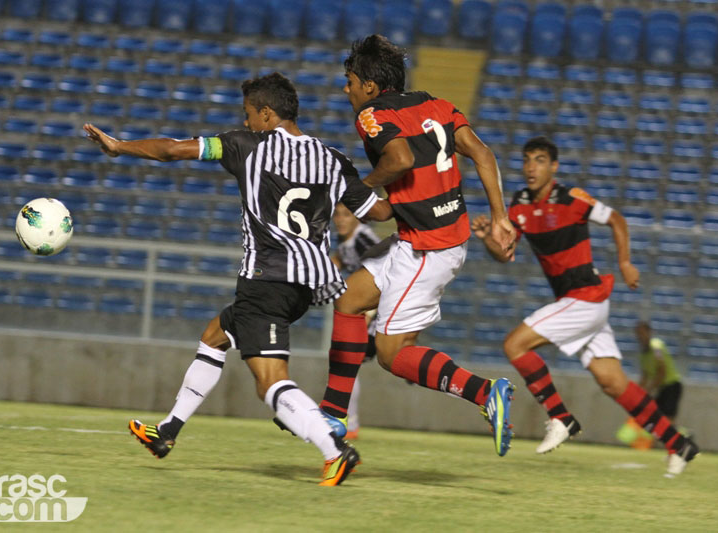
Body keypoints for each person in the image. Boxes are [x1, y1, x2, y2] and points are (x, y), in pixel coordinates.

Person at [83, 72, 393, 486]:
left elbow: (173, 151)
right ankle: (168, 431)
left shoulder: (247, 146)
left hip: (265, 281)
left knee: (269, 383)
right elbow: (380, 213)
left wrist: (119, 146)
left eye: (249, 115)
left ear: (267, 114)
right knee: (215, 335)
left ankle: (334, 450)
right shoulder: (333, 159)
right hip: (306, 286)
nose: (246, 123)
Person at [317, 34, 518, 457]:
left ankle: (485, 393)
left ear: (370, 86)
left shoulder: (371, 116)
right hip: (420, 238)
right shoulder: (437, 105)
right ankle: (333, 414)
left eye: (349, 80)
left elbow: (401, 160)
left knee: (392, 355)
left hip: (429, 248)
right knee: (349, 300)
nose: (346, 89)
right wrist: (501, 216)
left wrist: (354, 191)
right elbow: (482, 154)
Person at [471, 136, 699, 476]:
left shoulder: (573, 198)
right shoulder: (517, 205)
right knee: (613, 382)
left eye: (539, 160)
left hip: (586, 297)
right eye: (527, 160)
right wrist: (490, 238)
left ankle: (560, 417)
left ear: (554, 166)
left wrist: (624, 263)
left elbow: (617, 220)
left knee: (514, 345)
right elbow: (504, 254)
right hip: (576, 302)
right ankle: (678, 444)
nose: (531, 167)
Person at [330, 202, 381, 439]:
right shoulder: (348, 240)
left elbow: (384, 274)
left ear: (359, 218)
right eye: (337, 214)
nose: (340, 219)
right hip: (369, 312)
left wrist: (367, 314)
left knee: (347, 361)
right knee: (350, 361)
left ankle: (349, 425)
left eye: (346, 215)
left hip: (379, 312)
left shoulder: (364, 241)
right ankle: (350, 426)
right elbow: (337, 261)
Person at [636, 321, 683, 422]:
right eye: (638, 334)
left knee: (667, 419)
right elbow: (645, 376)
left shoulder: (657, 347)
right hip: (662, 388)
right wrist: (637, 393)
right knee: (656, 417)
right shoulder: (643, 355)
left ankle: (678, 436)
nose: (640, 336)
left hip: (672, 386)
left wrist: (649, 389)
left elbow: (662, 371)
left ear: (649, 332)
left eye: (642, 333)